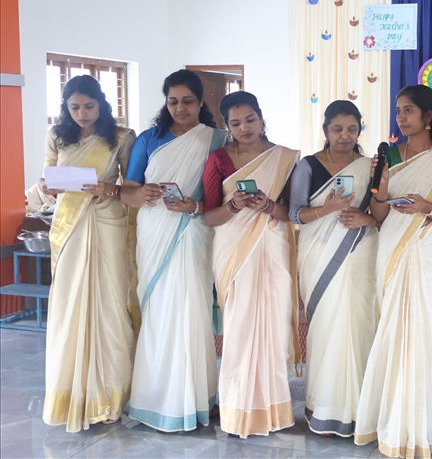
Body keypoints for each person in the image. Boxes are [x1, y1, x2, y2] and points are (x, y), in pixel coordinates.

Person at [354, 85, 432, 457]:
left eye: (408, 110)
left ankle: (430, 424)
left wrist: (428, 208)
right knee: (393, 333)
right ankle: (394, 422)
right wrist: (381, 187)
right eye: (398, 110)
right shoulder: (389, 156)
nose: (401, 117)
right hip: (393, 250)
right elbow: (379, 214)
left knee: (428, 336)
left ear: (428, 116)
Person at [121, 69, 226, 432]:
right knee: (159, 312)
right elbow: (127, 191)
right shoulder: (149, 139)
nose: (180, 108)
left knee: (192, 310)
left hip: (194, 231)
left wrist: (193, 207)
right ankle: (154, 399)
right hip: (155, 231)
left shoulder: (216, 140)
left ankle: (196, 398)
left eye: (187, 101)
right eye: (173, 101)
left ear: (201, 102)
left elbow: (221, 198)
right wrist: (141, 193)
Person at [40, 75, 136, 432]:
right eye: (75, 107)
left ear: (102, 103)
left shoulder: (121, 137)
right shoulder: (56, 135)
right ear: (66, 107)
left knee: (110, 303)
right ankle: (70, 394)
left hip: (106, 222)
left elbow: (132, 186)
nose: (82, 113)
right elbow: (47, 180)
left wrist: (107, 188)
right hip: (70, 225)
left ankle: (110, 396)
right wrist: (47, 187)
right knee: (69, 304)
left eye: (89, 106)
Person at [203, 91, 299, 438]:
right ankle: (236, 409)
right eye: (235, 123)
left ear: (261, 118)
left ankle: (273, 410)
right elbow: (209, 216)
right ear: (226, 126)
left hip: (271, 245)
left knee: (273, 326)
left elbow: (293, 212)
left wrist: (268, 206)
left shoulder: (284, 158)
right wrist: (234, 206)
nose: (244, 127)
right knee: (240, 326)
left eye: (250, 120)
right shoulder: (218, 160)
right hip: (233, 249)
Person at [289, 100, 378, 437]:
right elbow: (295, 214)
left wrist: (366, 219)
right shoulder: (308, 166)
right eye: (338, 129)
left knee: (358, 325)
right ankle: (324, 407)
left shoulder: (370, 166)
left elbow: (382, 212)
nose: (345, 136)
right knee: (326, 326)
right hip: (319, 253)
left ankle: (359, 409)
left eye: (352, 129)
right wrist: (327, 209)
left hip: (359, 254)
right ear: (325, 130)